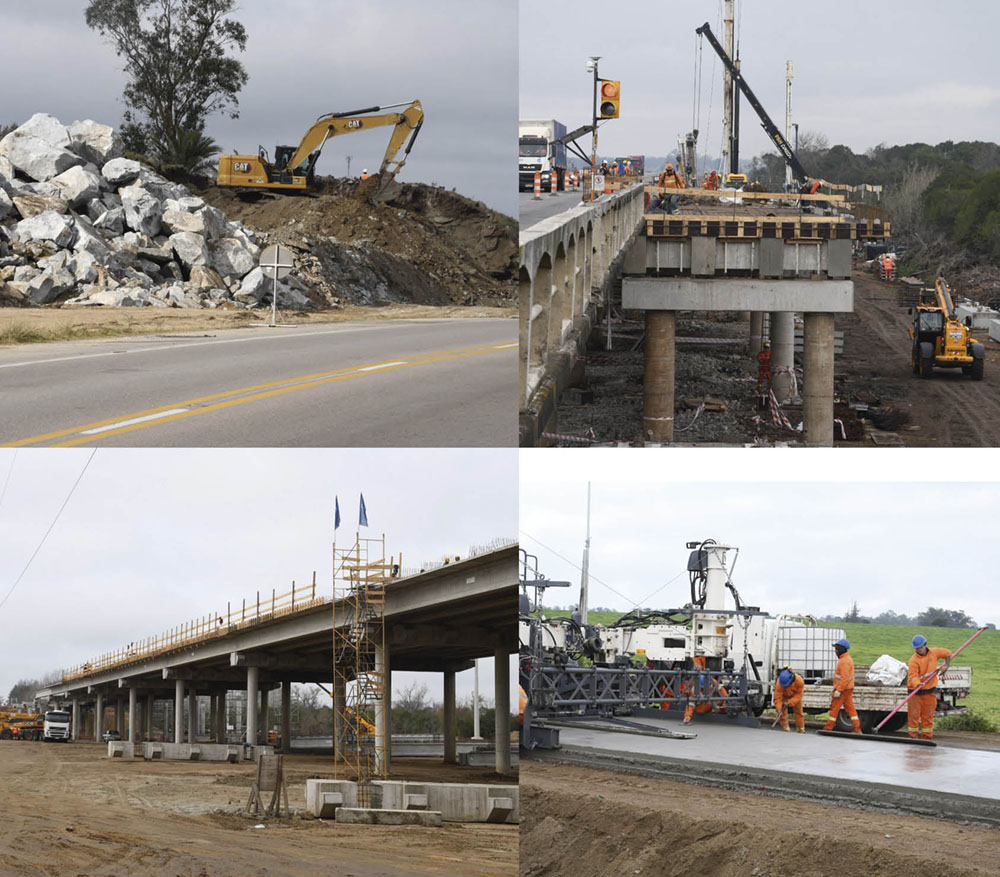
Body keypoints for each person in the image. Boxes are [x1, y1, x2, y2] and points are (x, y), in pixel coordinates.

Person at [907, 634, 952, 740]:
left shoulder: (934, 652)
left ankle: (927, 738)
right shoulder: (913, 660)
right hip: (915, 692)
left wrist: (947, 665)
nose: (919, 650)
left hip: (930, 692)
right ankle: (913, 737)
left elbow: (948, 653)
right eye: (916, 648)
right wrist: (918, 683)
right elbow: (913, 676)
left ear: (925, 645)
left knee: (928, 716)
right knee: (914, 716)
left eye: (920, 647)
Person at [823, 638, 861, 733]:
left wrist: (839, 690)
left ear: (840, 649)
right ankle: (857, 729)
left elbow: (845, 678)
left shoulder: (844, 661)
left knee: (834, 709)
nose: (835, 651)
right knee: (850, 709)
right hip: (847, 689)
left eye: (836, 649)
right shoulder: (846, 659)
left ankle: (828, 729)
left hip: (843, 690)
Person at [683, 656, 728, 725]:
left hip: (711, 703)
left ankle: (723, 713)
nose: (704, 689)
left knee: (722, 702)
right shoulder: (695, 690)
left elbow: (722, 690)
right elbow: (690, 705)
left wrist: (726, 700)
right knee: (701, 710)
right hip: (702, 708)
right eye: (702, 688)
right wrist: (687, 716)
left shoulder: (713, 682)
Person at [774, 666, 805, 733]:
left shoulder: (799, 681)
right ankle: (785, 729)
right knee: (782, 713)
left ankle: (800, 729)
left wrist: (791, 701)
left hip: (795, 697)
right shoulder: (780, 682)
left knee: (799, 712)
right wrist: (778, 709)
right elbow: (778, 697)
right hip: (784, 696)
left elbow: (799, 695)